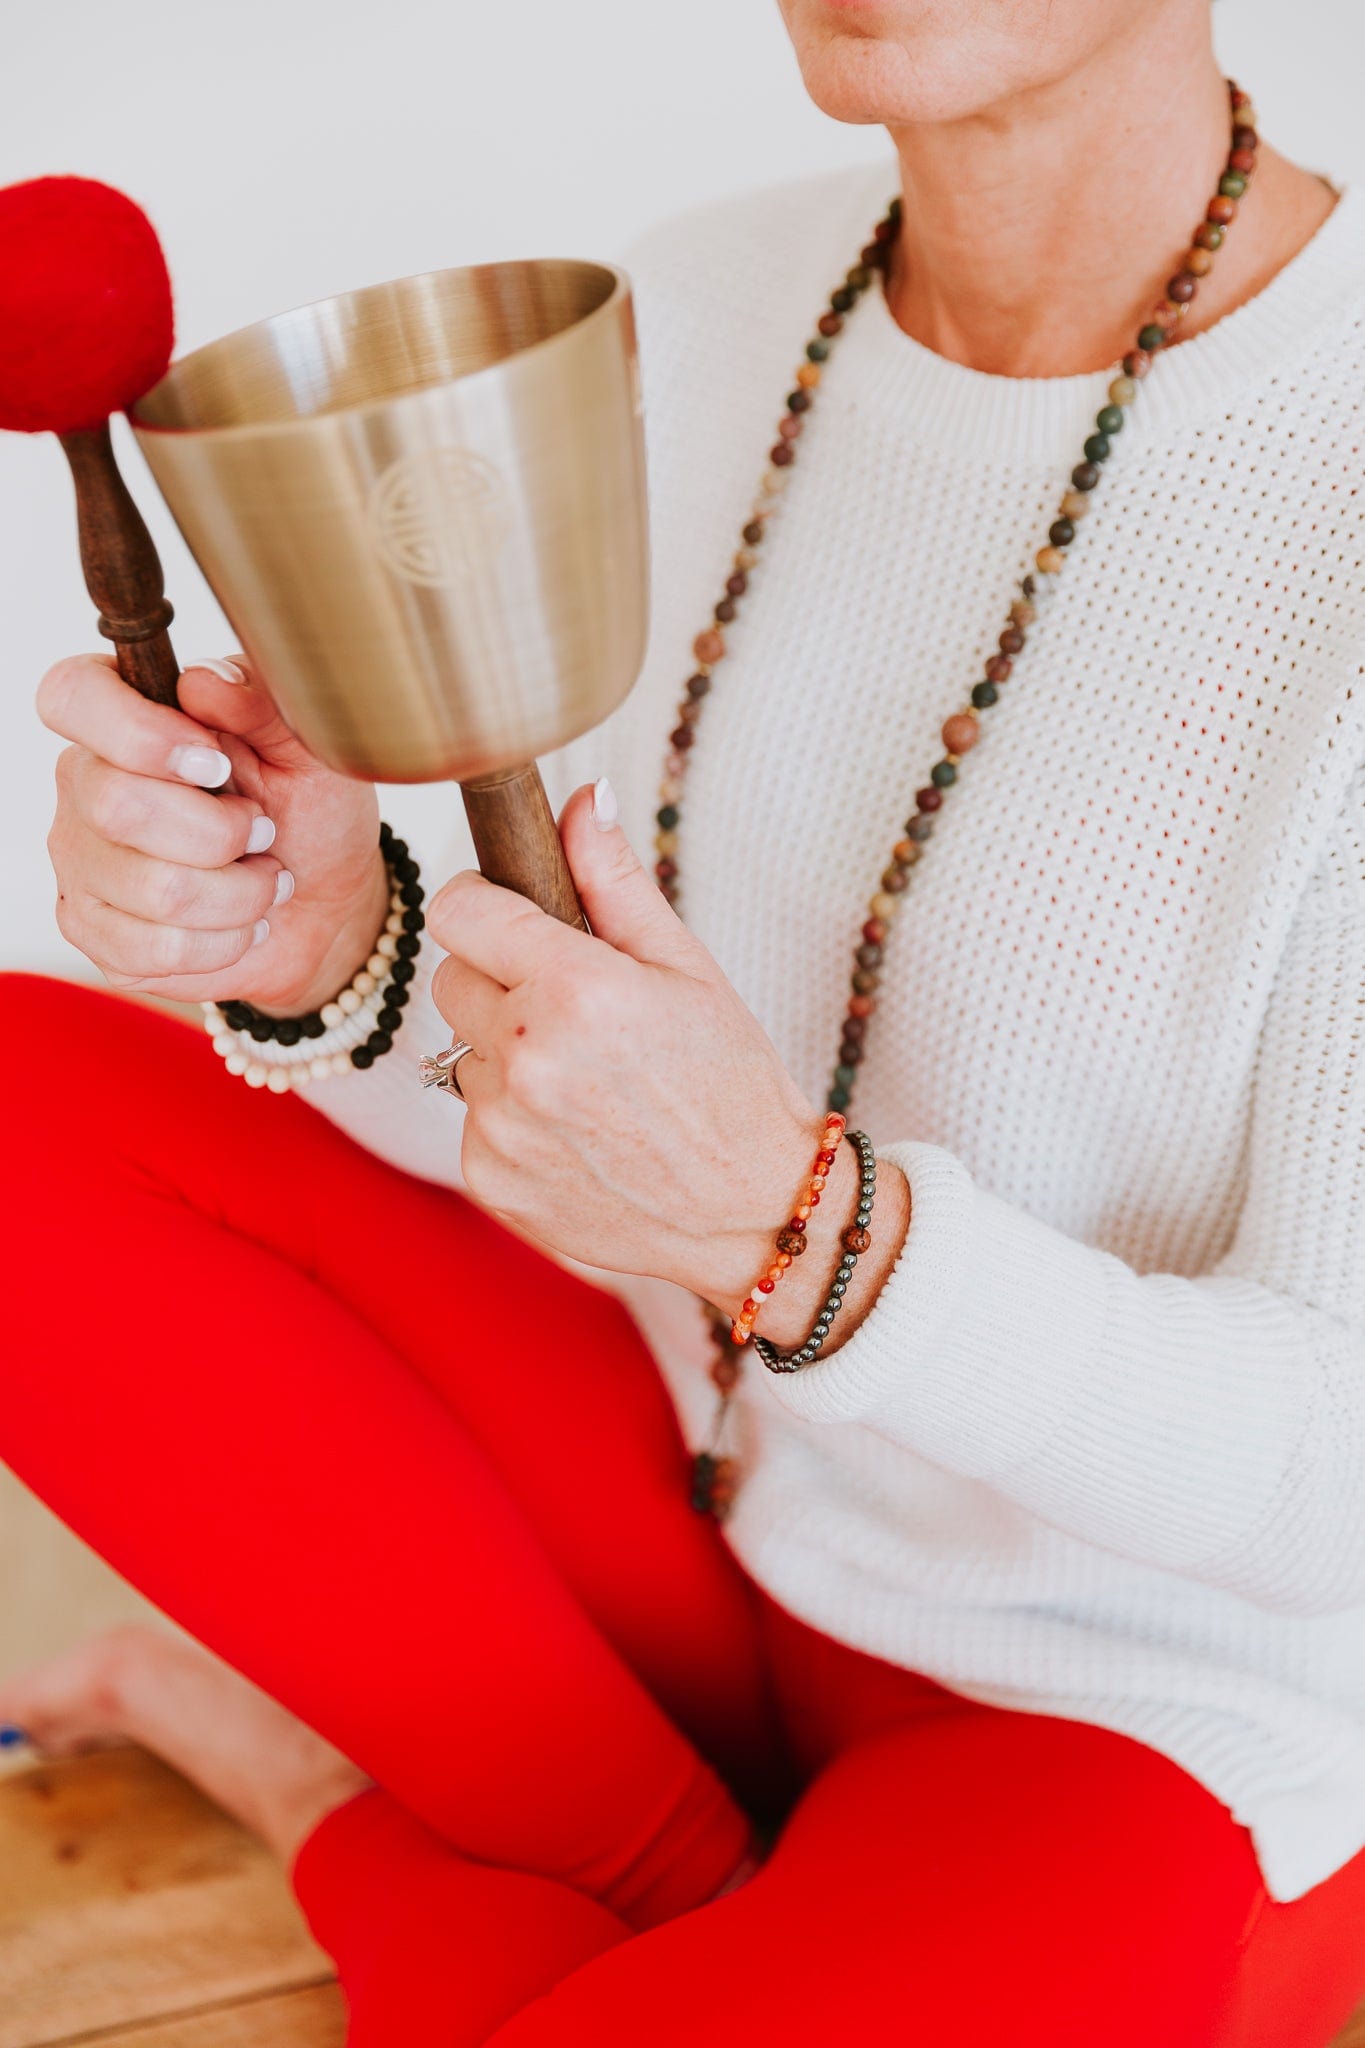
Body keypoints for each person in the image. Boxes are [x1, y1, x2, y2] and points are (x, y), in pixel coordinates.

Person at [3, 0, 1364, 2040]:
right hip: (688, 1503)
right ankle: (672, 1889)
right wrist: (324, 945)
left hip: (1119, 1727)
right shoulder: (710, 300)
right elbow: (604, 1093)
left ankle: (318, 1793)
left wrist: (793, 1234)